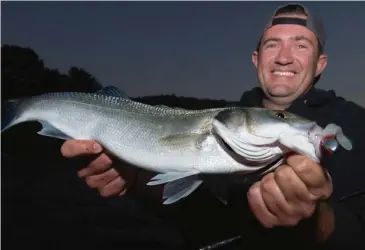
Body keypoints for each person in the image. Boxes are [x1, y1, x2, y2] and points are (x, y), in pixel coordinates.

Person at [60, 3, 365, 250]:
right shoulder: (221, 120)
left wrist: (319, 224)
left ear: (320, 63)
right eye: (273, 45)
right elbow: (189, 213)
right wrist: (135, 175)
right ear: (256, 59)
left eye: (300, 45)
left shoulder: (355, 122)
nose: (284, 58)